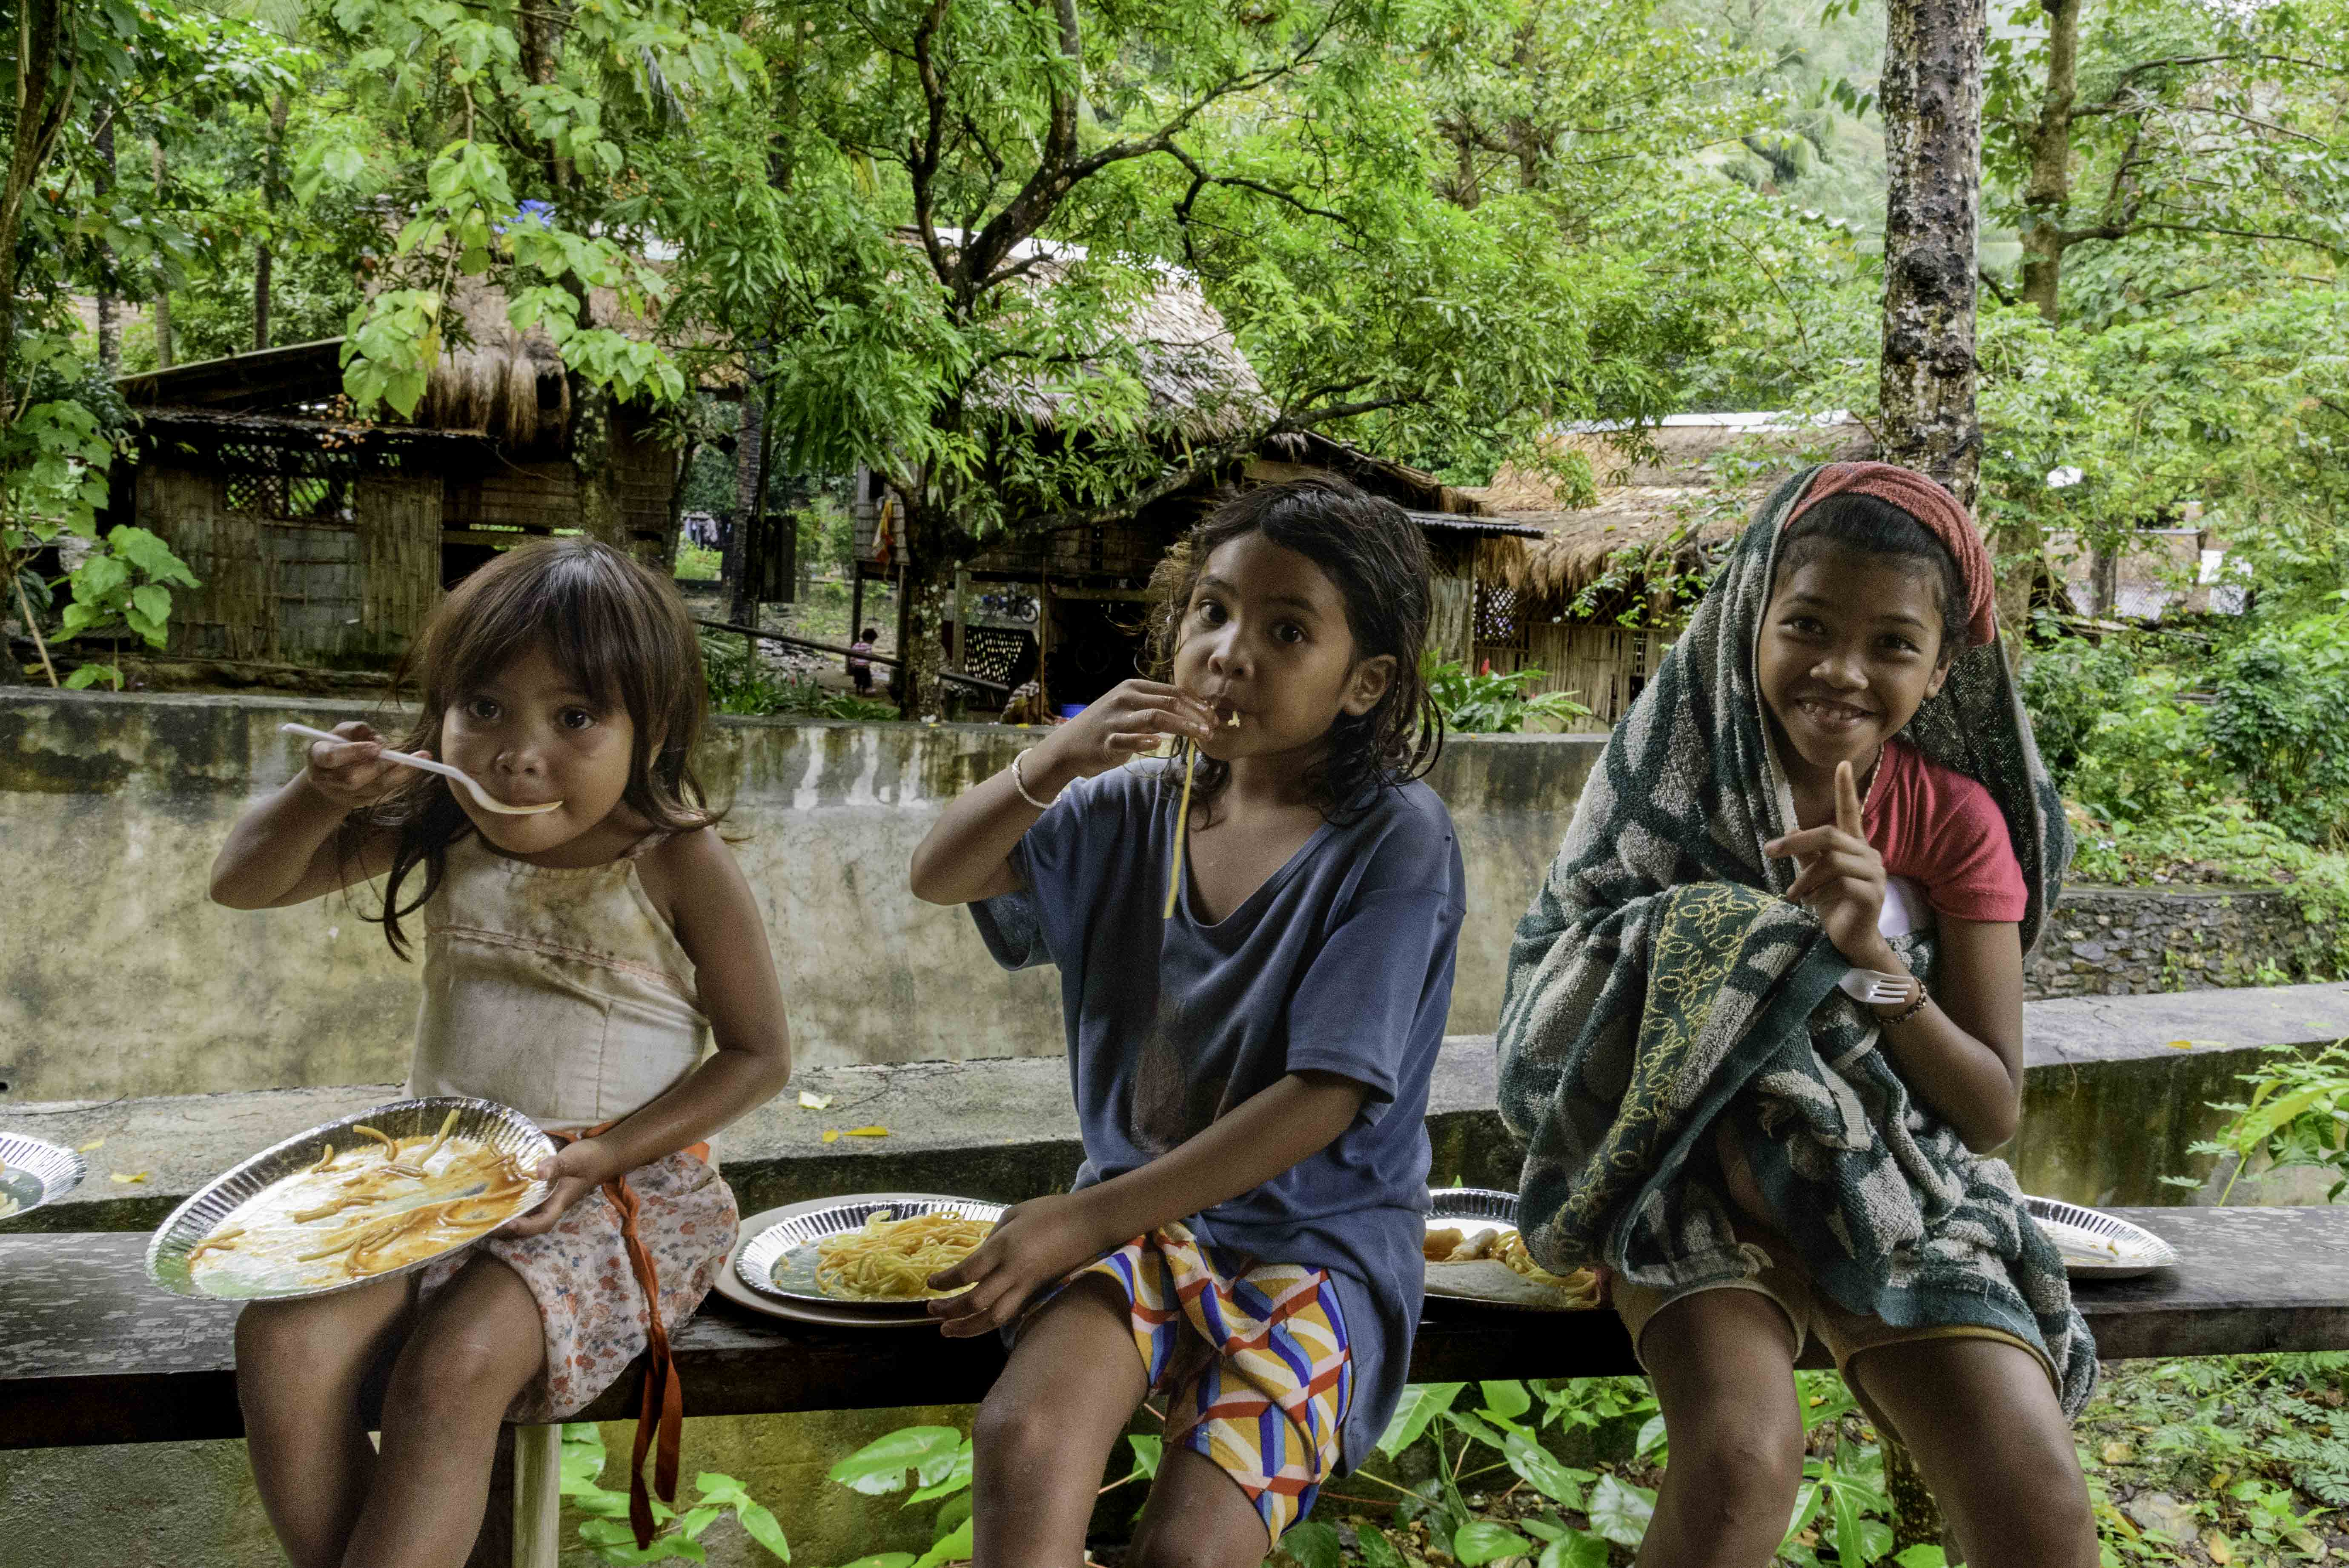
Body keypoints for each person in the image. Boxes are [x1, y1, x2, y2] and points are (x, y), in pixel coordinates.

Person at [1497, 462, 2097, 1567]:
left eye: (1891, 644)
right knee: (1739, 1465)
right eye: (1807, 625)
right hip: (1675, 1170)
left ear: (1943, 663)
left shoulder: (1955, 821)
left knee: (2040, 1506)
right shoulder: (1669, 789)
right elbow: (1548, 1012)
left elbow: (1986, 1107)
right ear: (1749, 615)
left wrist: (1861, 953)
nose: (1841, 670)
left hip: (1890, 1180)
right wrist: (1737, 935)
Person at [908, 476, 1464, 1566]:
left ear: (1367, 684)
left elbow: (1326, 1095)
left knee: (1193, 1545)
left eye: (1285, 628)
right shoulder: (1131, 805)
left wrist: (1084, 1218)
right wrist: (1057, 758)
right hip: (1141, 1228)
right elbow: (943, 873)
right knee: (1025, 1437)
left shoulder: (1393, 839)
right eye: (1210, 611)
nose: (1228, 648)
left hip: (1321, 1246)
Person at [209, 537, 791, 1568]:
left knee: (454, 1365)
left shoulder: (675, 860)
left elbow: (757, 1055)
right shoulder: (442, 821)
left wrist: (607, 1156)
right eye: (483, 707)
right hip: (437, 1171)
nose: (517, 753)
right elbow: (243, 885)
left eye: (574, 717)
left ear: (647, 729)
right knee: (282, 1339)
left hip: (614, 1190)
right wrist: (323, 795)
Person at [849, 626, 877, 695]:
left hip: (857, 666)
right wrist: (870, 661)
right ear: (869, 639)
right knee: (866, 679)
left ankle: (858, 690)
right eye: (873, 641)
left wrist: (853, 663)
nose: (873, 643)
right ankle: (864, 691)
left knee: (858, 679)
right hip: (865, 667)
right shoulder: (868, 646)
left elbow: (852, 654)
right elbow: (868, 655)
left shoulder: (857, 645)